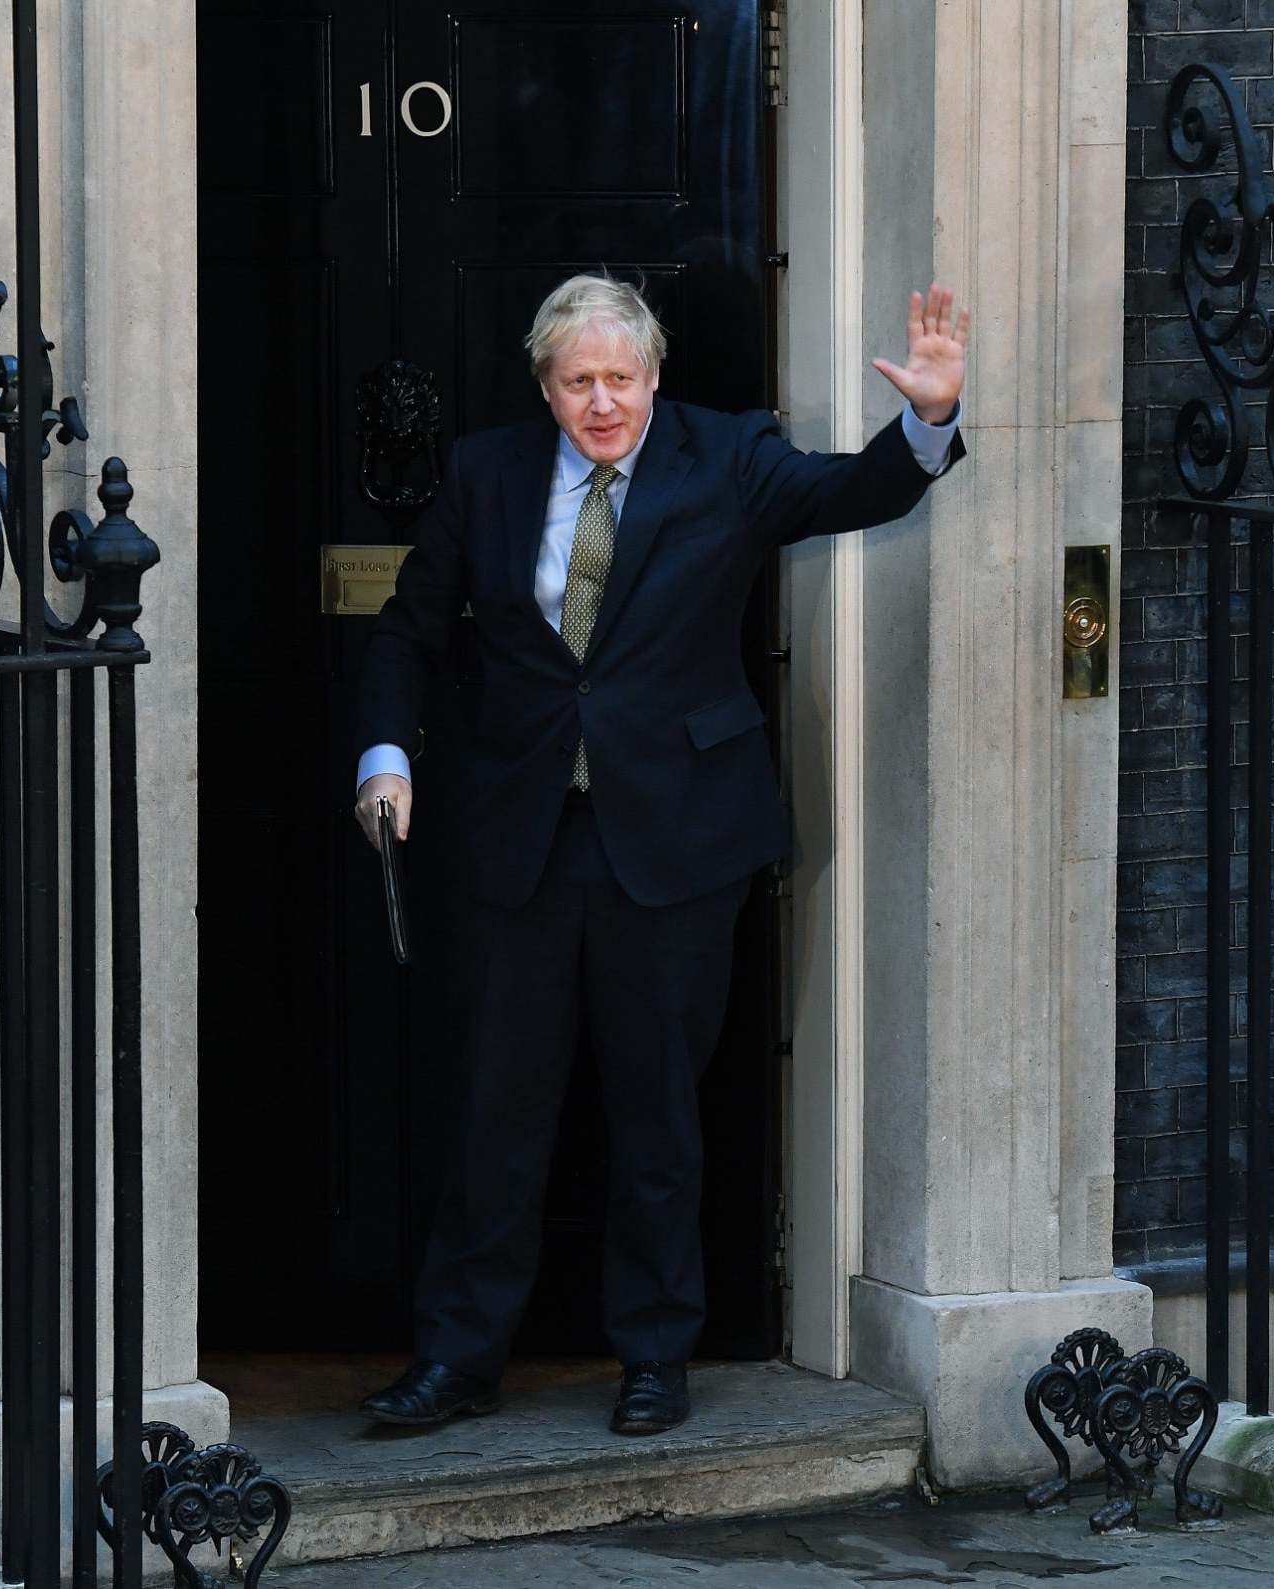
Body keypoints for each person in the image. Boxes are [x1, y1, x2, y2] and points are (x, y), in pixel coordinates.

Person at [352, 273, 969, 1435]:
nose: (602, 404)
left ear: (653, 377)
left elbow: (854, 491)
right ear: (546, 385)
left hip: (677, 837)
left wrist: (928, 421)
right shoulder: (484, 475)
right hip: (521, 839)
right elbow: (408, 630)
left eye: (620, 380)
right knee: (496, 1114)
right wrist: (387, 754)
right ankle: (461, 1355)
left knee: (657, 1113)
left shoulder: (726, 456)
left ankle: (654, 1355)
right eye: (579, 381)